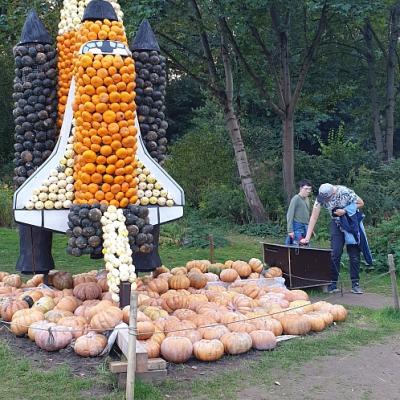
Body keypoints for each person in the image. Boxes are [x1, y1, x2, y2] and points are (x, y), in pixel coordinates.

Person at [300, 183, 367, 294]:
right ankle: (333, 284)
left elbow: (361, 203)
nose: (325, 201)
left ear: (333, 193)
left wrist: (345, 210)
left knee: (354, 254)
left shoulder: (345, 192)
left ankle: (355, 284)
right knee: (335, 253)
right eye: (323, 198)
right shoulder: (321, 197)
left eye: (327, 198)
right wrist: (307, 237)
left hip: (351, 223)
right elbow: (314, 217)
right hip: (336, 224)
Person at [285, 179, 312, 245]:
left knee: (306, 246)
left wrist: (310, 227)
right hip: (297, 227)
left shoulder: (307, 199)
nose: (308, 191)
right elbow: (289, 214)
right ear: (301, 188)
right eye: (306, 189)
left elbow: (307, 214)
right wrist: (290, 230)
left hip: (306, 227)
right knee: (297, 247)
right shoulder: (296, 198)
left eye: (309, 189)